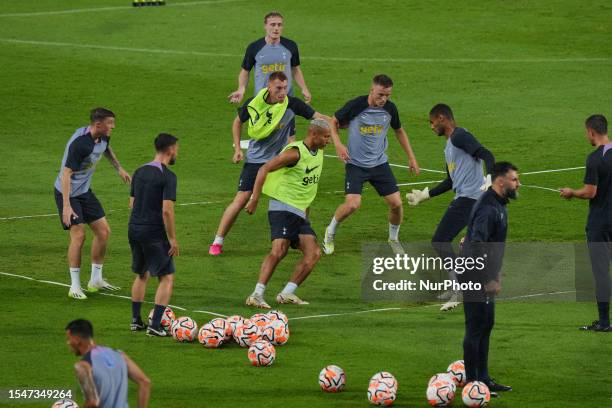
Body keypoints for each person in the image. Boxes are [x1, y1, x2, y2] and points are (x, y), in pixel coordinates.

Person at [209, 71, 329, 255]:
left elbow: (318, 117)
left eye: (285, 88)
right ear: (269, 87)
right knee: (241, 199)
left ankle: (298, 235)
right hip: (256, 159)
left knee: (302, 195)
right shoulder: (255, 103)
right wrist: (238, 150)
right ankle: (217, 241)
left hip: (280, 160)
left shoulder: (291, 104)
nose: (282, 92)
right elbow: (237, 122)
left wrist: (337, 121)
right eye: (278, 88)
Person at [406, 104, 495, 311]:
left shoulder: (459, 136)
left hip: (471, 199)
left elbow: (487, 155)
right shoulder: (449, 147)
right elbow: (450, 181)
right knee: (441, 241)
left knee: (440, 240)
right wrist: (426, 195)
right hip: (464, 197)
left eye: (431, 122)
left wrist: (490, 178)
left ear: (441, 118)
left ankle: (459, 288)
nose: (431, 127)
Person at [322, 74, 420, 255]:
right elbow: (333, 121)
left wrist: (411, 157)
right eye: (380, 94)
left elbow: (399, 130)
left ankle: (393, 239)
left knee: (396, 204)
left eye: (388, 95)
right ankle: (330, 231)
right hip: (356, 164)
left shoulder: (390, 109)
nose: (384, 99)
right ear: (372, 90)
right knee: (352, 205)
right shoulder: (356, 106)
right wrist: (338, 144)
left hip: (379, 164)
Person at [243, 119, 331, 308]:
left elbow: (307, 186)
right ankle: (256, 294)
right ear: (313, 134)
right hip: (282, 206)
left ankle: (286, 293)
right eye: (325, 136)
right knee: (279, 250)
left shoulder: (318, 153)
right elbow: (264, 168)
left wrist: (306, 212)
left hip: (299, 211)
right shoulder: (295, 153)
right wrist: (255, 199)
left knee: (314, 252)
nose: (328, 141)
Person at [54, 108, 131, 300]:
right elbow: (66, 173)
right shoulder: (80, 144)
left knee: (104, 232)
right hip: (68, 193)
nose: (113, 126)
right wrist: (66, 206)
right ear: (98, 124)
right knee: (79, 236)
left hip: (84, 192)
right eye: (110, 123)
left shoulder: (102, 136)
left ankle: (95, 280)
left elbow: (106, 149)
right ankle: (75, 286)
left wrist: (119, 168)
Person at [460, 161, 519, 396]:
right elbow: (477, 246)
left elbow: (474, 234)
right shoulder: (489, 207)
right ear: (500, 181)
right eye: (514, 179)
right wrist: (488, 279)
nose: (518, 183)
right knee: (475, 327)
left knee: (486, 324)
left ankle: (482, 379)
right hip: (475, 274)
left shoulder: (498, 204)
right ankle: (472, 383)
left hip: (482, 272)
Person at [560, 114, 611, 332]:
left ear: (591, 131)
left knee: (601, 272)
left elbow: (591, 192)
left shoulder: (594, 158)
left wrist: (572, 192)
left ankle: (604, 322)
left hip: (600, 224)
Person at [128, 134, 179, 337]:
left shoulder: (139, 171)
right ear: (170, 150)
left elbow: (131, 203)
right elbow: (167, 210)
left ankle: (135, 321)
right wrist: (173, 239)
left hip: (134, 228)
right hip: (153, 232)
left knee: (142, 273)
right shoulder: (168, 176)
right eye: (176, 148)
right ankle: (155, 325)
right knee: (166, 277)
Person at [228, 11, 311, 104]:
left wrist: (304, 88)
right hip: (262, 101)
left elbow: (296, 69)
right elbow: (245, 71)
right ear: (265, 26)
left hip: (285, 101)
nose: (276, 28)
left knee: (287, 118)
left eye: (279, 25)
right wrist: (241, 89)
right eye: (273, 24)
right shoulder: (254, 47)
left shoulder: (291, 46)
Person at [65, 319, 150, 408]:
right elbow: (145, 382)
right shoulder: (120, 355)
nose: (68, 343)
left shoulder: (83, 366)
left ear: (77, 340)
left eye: (69, 338)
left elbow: (92, 402)